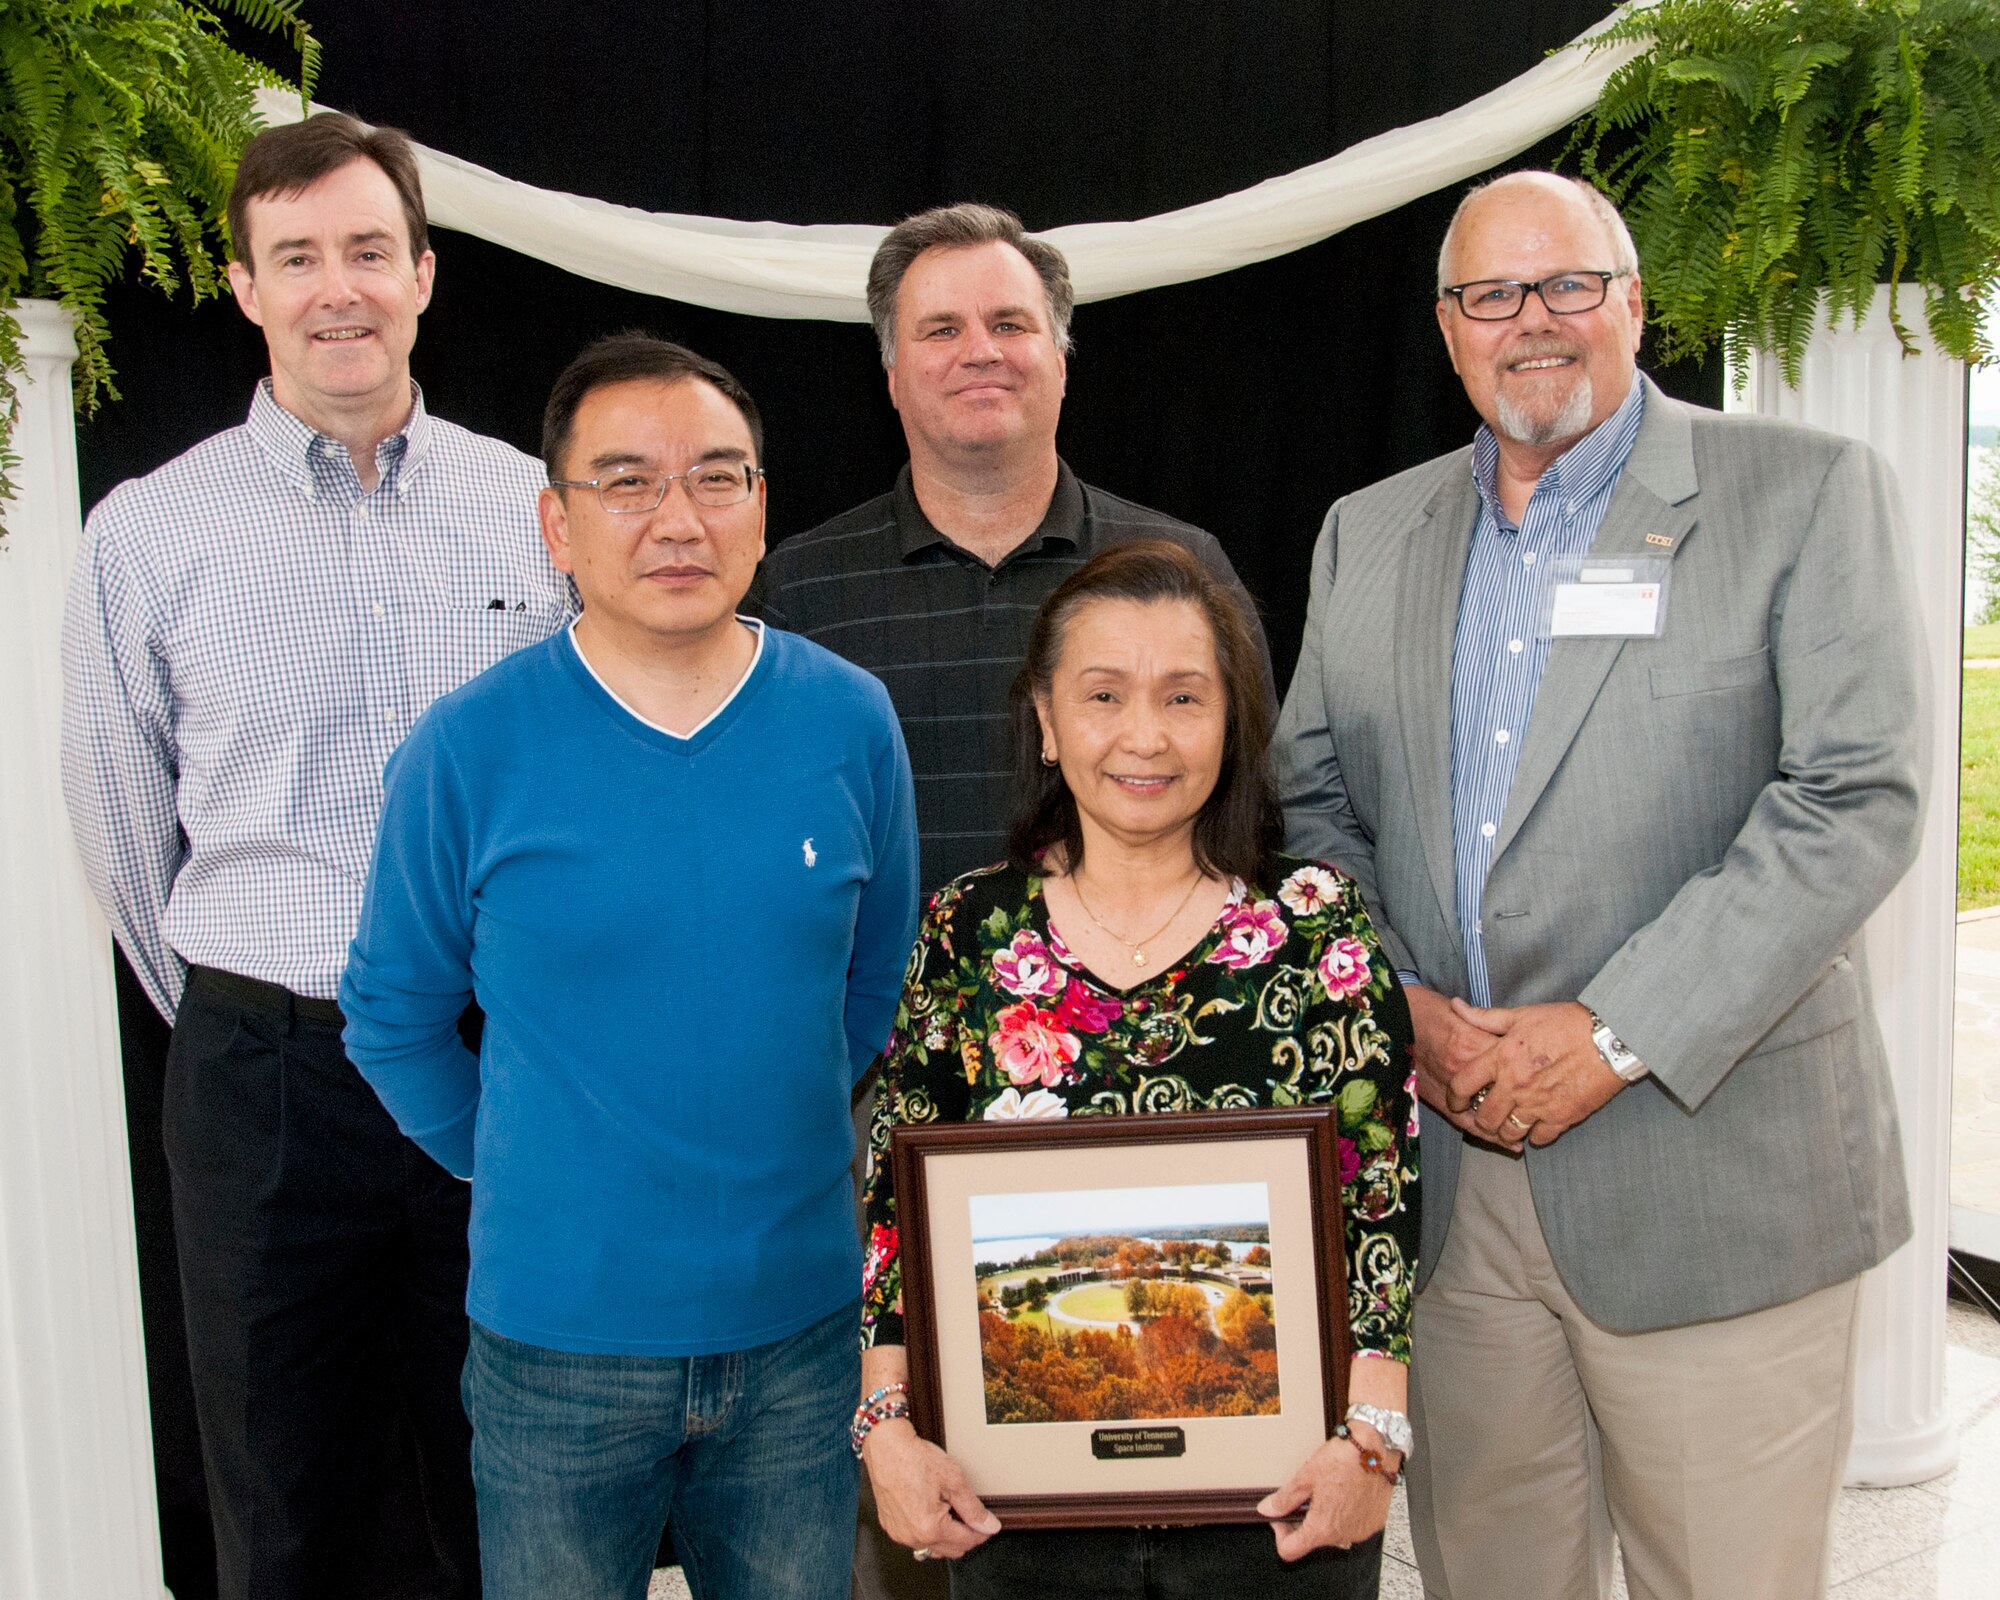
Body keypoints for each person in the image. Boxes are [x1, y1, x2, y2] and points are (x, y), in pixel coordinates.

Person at [1274, 171, 1926, 1600]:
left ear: (1635, 300)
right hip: (1456, 1179)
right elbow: (1311, 803)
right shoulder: (1362, 533)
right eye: (1492, 295)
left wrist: (1616, 1032)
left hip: (1709, 1167)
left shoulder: (1802, 494)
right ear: (1448, 328)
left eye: (1569, 284)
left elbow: (1850, 800)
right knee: (1494, 1573)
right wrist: (1414, 1016)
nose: (1534, 324)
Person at [61, 112, 570, 1600]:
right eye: (298, 258)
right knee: (284, 1504)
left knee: (512, 1483)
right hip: (266, 1078)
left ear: (422, 273)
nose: (335, 288)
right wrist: (263, 1021)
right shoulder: (148, 532)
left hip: (502, 1066)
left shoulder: (534, 508)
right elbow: (123, 826)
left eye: (365, 251)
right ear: (242, 286)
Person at [339, 332, 920, 1600]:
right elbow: (390, 1013)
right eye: (625, 481)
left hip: (802, 1331)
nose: (678, 517)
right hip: (558, 1344)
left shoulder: (848, 720)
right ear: (554, 523)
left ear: (761, 506)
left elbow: (879, 979)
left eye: (718, 476)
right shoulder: (469, 749)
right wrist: (531, 1165)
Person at [856, 539, 1418, 1598]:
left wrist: (1371, 1441)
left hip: (1281, 1502)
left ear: (1232, 718)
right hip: (1011, 1508)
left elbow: (1377, 1203)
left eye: (1182, 697)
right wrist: (886, 1424)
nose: (1143, 737)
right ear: (1045, 718)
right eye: (1103, 694)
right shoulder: (966, 930)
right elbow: (899, 1207)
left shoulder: (1315, 928)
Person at [753, 202, 1273, 894]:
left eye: (1009, 324)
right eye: (942, 330)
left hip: (1142, 997)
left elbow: (1255, 814)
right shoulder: (797, 594)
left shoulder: (1185, 569)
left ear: (1060, 360)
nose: (981, 351)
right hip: (880, 1001)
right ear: (891, 377)